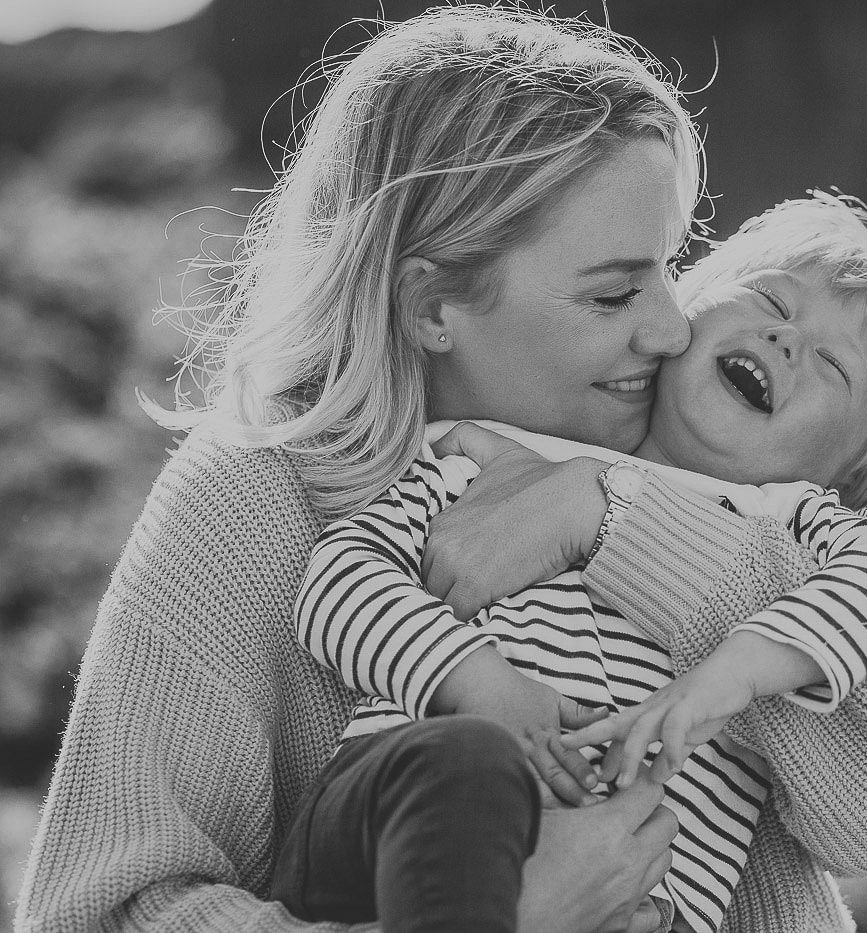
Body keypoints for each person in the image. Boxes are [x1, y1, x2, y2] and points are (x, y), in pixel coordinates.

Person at [18, 8, 701, 933]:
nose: (672, 329)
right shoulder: (250, 504)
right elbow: (95, 911)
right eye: (615, 292)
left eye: (673, 267)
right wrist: (516, 918)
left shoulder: (680, 451)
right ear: (430, 304)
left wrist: (618, 517)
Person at [286, 193, 867, 933]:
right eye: (770, 298)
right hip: (406, 807)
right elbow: (340, 583)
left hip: (633, 899)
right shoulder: (498, 454)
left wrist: (730, 677)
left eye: (832, 364)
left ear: (848, 478)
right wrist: (481, 687)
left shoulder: (795, 526)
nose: (786, 339)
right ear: (680, 316)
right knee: (470, 767)